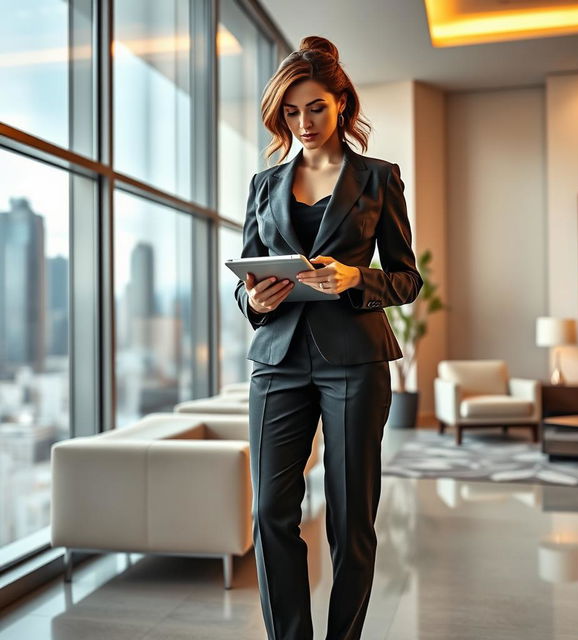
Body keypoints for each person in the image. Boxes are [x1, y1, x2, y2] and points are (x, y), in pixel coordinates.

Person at [233, 35, 423, 640]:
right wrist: (253, 298)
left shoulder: (377, 178)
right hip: (277, 361)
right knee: (270, 514)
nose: (303, 123)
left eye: (315, 107)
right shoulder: (264, 186)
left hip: (354, 362)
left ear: (341, 102)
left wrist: (354, 277)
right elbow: (246, 275)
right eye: (290, 112)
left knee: (351, 518)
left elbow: (407, 279)